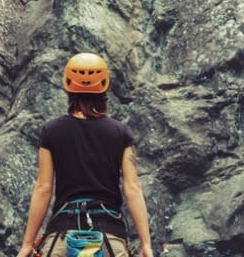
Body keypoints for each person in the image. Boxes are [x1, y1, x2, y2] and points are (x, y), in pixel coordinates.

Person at [16, 52, 153, 257]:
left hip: (62, 236)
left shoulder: (51, 131)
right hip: (109, 239)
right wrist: (146, 245)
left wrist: (27, 243)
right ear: (104, 86)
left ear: (68, 86)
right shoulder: (121, 132)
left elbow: (44, 188)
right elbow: (132, 188)